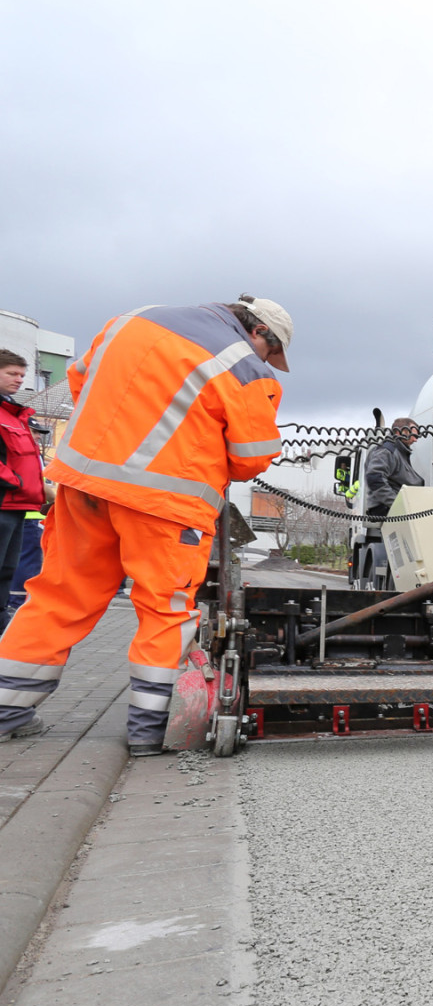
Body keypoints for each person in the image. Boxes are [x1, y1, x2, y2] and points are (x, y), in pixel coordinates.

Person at [0, 298, 288, 752]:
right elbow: (250, 459)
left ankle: (7, 710)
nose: (267, 360)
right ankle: (147, 733)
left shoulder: (135, 320)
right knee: (163, 609)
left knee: (59, 595)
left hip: (86, 484)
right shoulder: (247, 368)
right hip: (166, 504)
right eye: (271, 352)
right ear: (260, 335)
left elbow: (81, 382)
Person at [0, 349, 46, 629]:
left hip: (16, 506)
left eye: (22, 374)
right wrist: (16, 481)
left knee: (6, 573)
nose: (19, 380)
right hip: (5, 500)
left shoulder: (14, 412)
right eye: (11, 373)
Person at [364, 418, 423, 519]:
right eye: (413, 435)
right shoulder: (387, 451)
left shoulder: (399, 452)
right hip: (389, 509)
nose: (415, 440)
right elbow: (375, 478)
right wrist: (397, 504)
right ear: (398, 432)